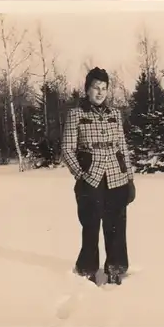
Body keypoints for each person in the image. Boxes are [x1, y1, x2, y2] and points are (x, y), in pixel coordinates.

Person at [61, 67, 136, 286]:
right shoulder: (76, 114)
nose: (100, 93)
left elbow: (122, 147)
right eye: (96, 88)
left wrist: (129, 178)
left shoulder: (114, 114)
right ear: (87, 89)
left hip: (116, 177)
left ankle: (116, 268)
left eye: (104, 88)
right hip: (90, 178)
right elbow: (67, 150)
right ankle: (87, 270)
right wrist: (81, 175)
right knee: (91, 225)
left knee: (116, 226)